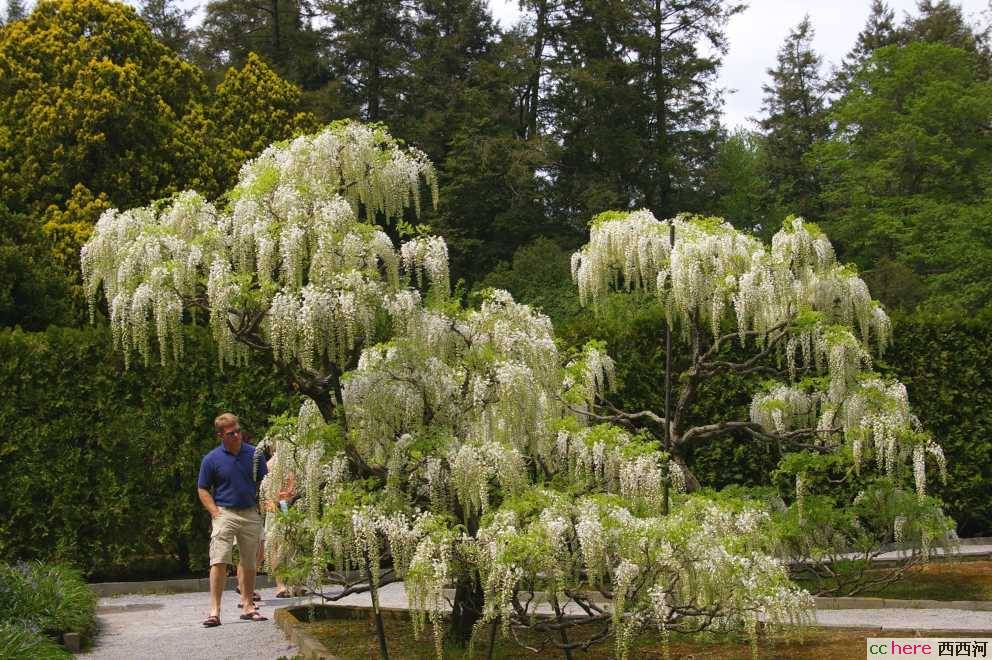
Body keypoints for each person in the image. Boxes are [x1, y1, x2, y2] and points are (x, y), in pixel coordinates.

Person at [197, 412, 268, 627]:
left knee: (250, 562)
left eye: (238, 430)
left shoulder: (254, 454)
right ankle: (215, 612)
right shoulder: (212, 459)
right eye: (231, 433)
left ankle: (247, 605)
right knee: (218, 559)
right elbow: (202, 489)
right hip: (225, 513)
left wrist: (263, 504)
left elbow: (265, 482)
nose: (237, 435)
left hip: (249, 512)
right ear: (221, 435)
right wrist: (214, 512)